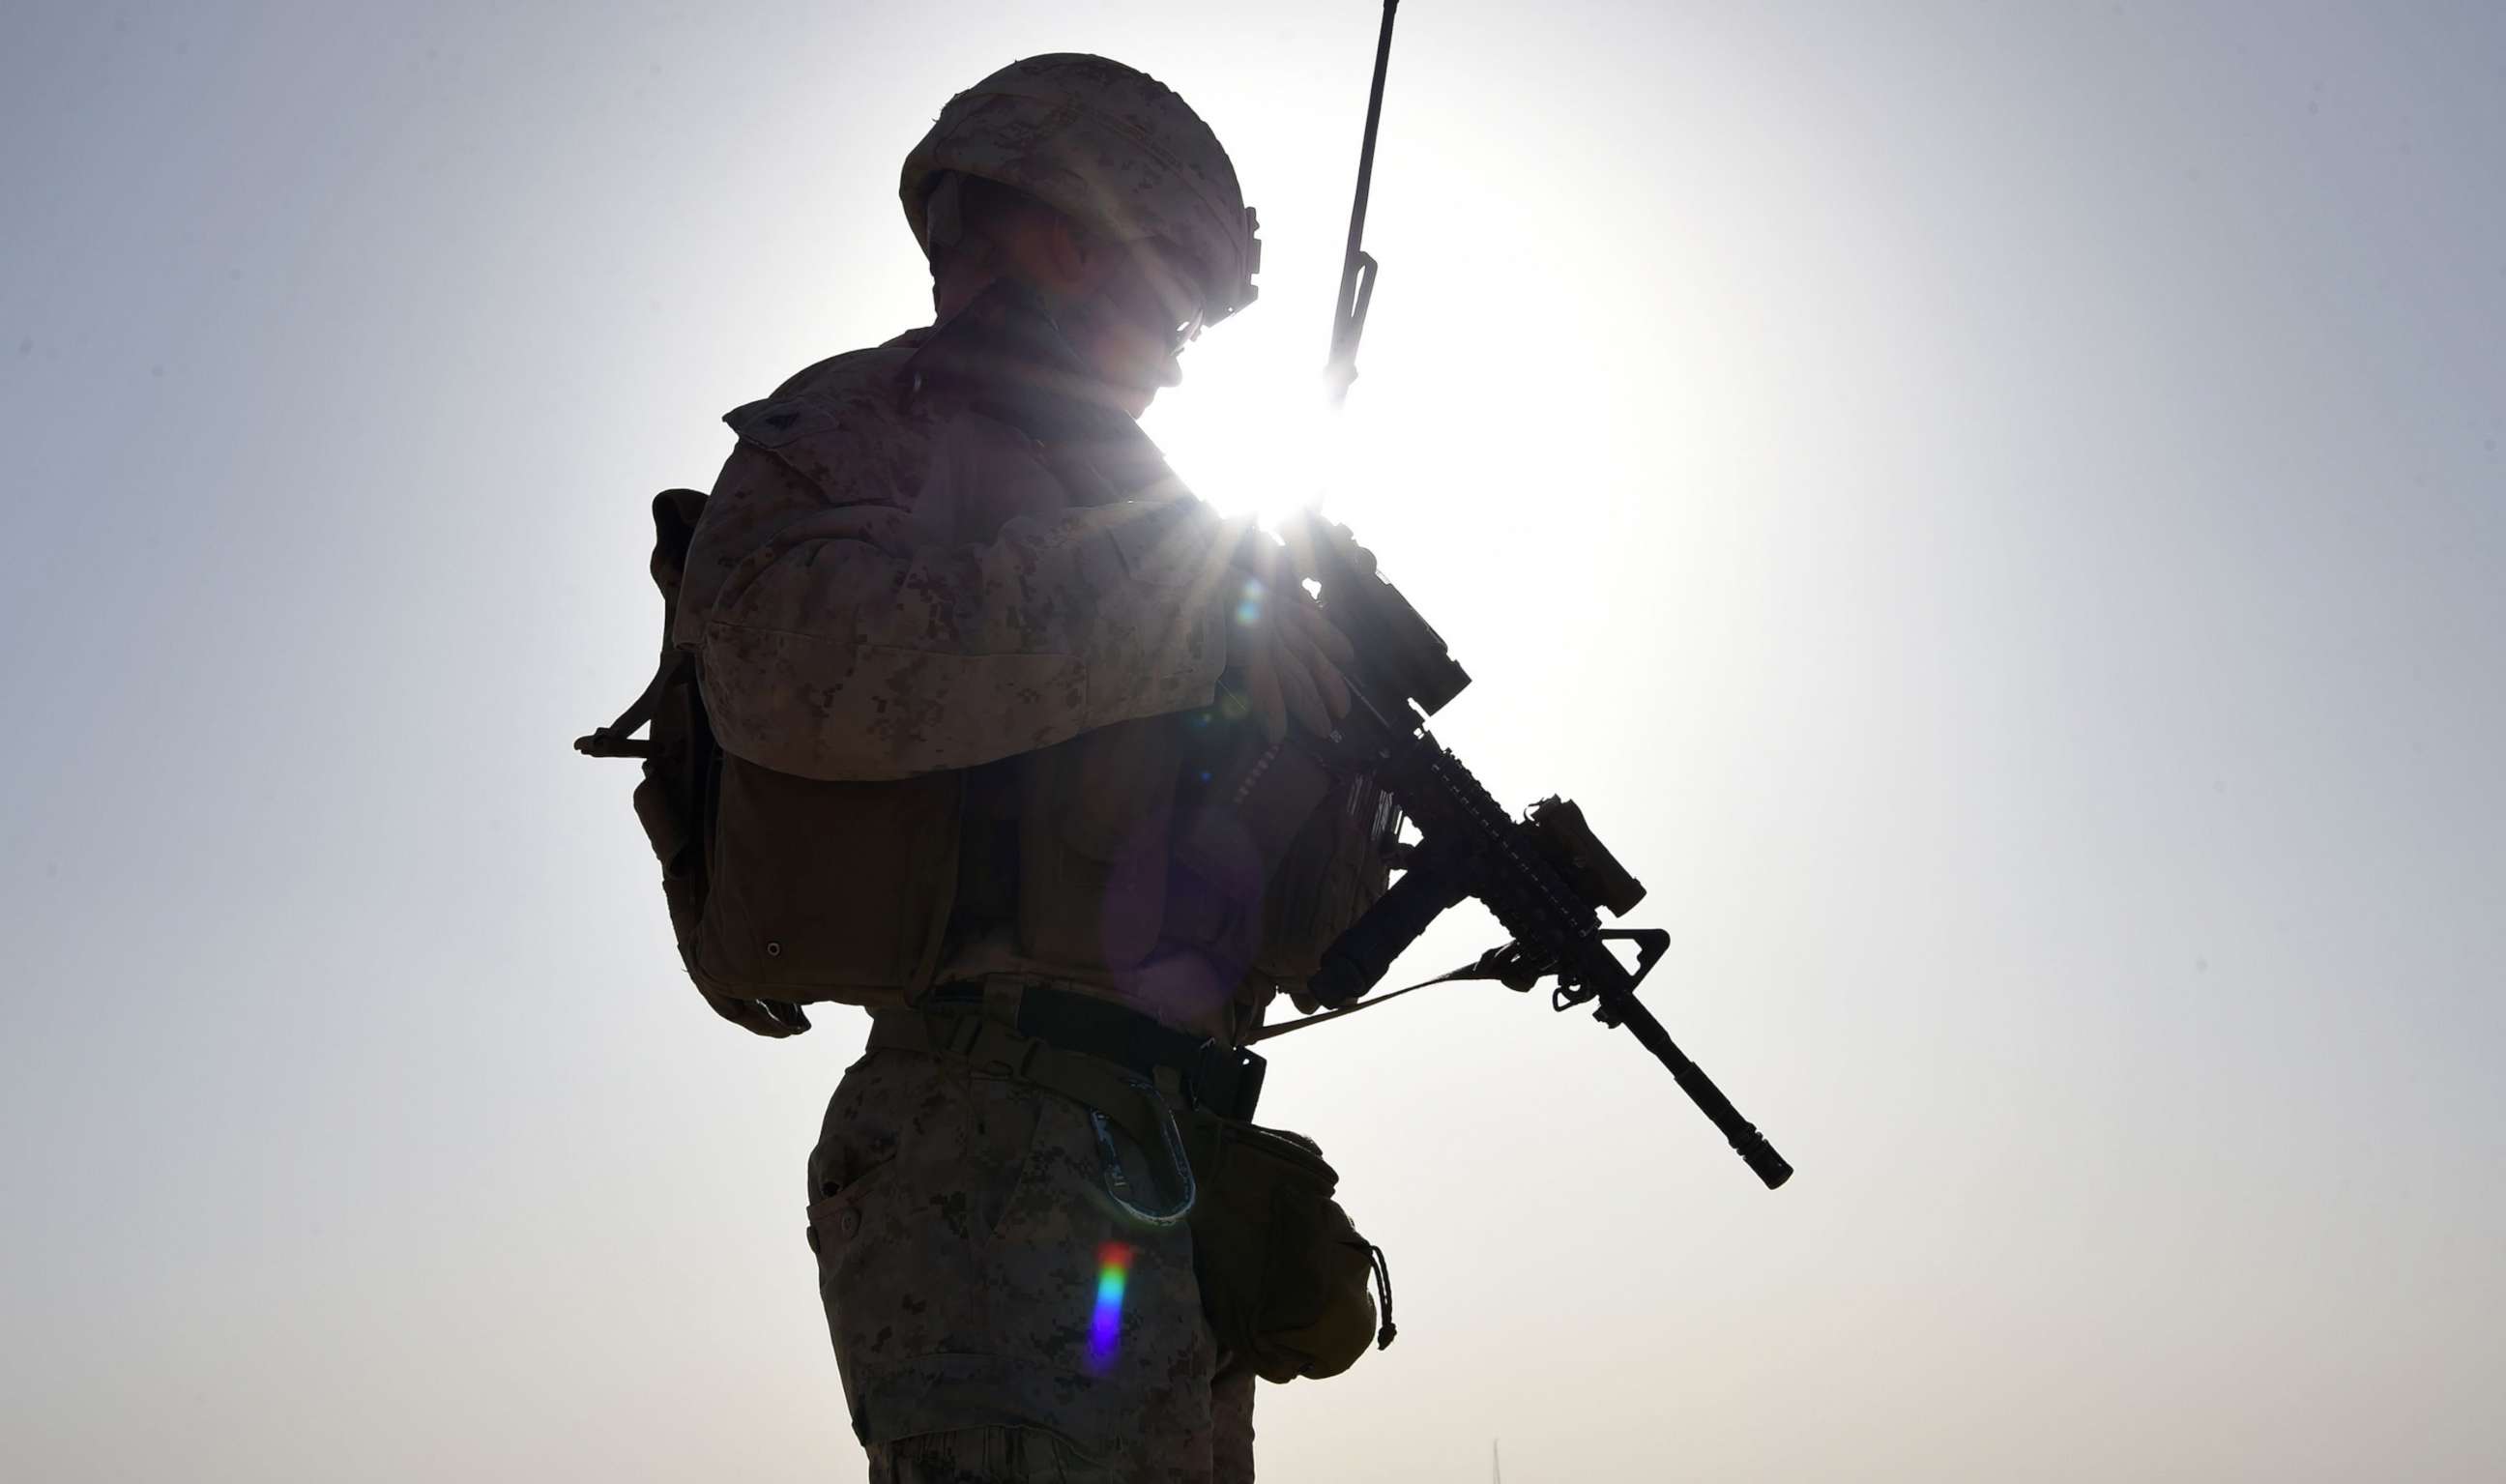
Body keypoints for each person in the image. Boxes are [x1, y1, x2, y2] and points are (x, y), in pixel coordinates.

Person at [668, 54, 1390, 1483]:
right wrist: (1182, 608)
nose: (1179, 337)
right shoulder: (882, 420)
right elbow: (793, 666)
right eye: (1168, 284)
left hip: (1168, 1154)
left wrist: (1347, 768)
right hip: (984, 1139)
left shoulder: (1157, 503)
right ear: (1070, 232)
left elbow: (1248, 912)